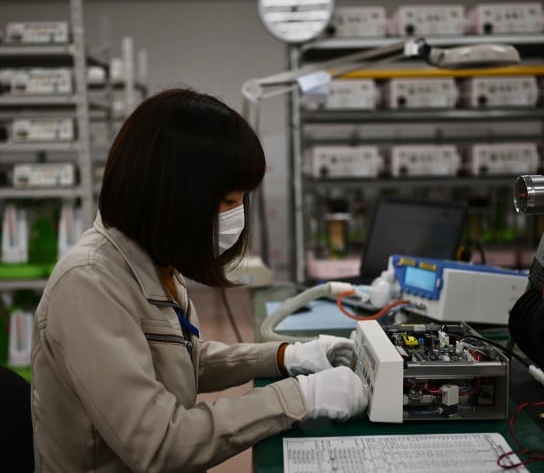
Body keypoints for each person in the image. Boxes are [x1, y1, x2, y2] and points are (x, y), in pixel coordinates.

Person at [31, 88, 368, 472]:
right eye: (226, 201)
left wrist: (283, 357)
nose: (236, 215)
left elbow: (182, 360)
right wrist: (298, 397)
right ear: (171, 195)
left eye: (242, 200)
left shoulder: (154, 261)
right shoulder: (88, 284)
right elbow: (160, 444)